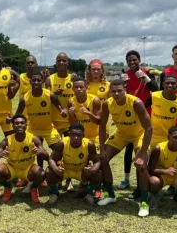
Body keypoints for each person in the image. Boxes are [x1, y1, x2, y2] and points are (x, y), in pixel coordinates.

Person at [98, 79, 152, 217]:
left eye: (119, 91)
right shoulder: (107, 103)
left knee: (141, 165)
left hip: (138, 134)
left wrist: (141, 154)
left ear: (125, 90)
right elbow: (103, 125)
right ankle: (111, 196)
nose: (116, 94)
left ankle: (144, 203)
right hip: (121, 134)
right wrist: (103, 149)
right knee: (103, 160)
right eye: (113, 91)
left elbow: (149, 128)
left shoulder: (136, 102)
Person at [14, 69, 66, 187]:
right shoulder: (25, 98)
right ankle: (39, 175)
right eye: (34, 80)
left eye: (38, 80)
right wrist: (11, 119)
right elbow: (18, 114)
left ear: (42, 81)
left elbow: (61, 108)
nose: (36, 82)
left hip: (49, 128)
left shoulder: (50, 95)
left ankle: (57, 172)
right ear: (30, 82)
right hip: (33, 129)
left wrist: (63, 112)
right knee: (37, 151)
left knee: (58, 148)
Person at [119, 50, 159, 196]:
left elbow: (156, 90)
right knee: (129, 148)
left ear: (139, 60)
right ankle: (126, 179)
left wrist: (147, 78)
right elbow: (121, 94)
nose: (132, 62)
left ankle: (141, 186)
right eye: (129, 60)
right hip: (130, 116)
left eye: (134, 60)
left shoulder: (146, 72)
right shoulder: (126, 75)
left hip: (146, 114)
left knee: (141, 150)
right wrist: (123, 83)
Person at [0, 114, 48, 203]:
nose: (20, 125)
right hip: (12, 168)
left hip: (28, 168)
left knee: (41, 174)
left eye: (22, 123)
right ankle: (8, 186)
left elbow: (47, 156)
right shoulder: (7, 140)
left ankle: (34, 188)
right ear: (13, 126)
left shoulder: (33, 138)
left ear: (26, 125)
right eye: (17, 123)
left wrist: (40, 152)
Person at [45, 123, 101, 205]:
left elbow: (98, 162)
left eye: (79, 135)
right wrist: (56, 169)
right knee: (49, 171)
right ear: (69, 134)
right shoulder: (62, 143)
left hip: (81, 171)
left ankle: (89, 193)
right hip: (65, 170)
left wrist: (92, 169)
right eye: (73, 135)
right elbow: (51, 159)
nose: (76, 138)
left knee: (98, 173)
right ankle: (54, 193)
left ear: (83, 136)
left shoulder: (89, 144)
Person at [145, 75, 177, 150]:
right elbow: (142, 110)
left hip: (170, 137)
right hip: (152, 136)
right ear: (163, 84)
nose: (170, 85)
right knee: (148, 160)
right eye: (167, 83)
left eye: (173, 83)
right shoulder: (154, 96)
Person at [45, 53, 74, 137]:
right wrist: (54, 94)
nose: (61, 62)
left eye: (64, 61)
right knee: (57, 148)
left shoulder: (73, 79)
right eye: (59, 61)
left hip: (69, 120)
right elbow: (46, 98)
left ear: (67, 63)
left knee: (69, 147)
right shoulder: (49, 79)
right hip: (54, 121)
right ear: (56, 63)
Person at [68, 77, 101, 149]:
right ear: (73, 89)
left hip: (94, 136)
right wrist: (71, 115)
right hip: (80, 138)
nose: (79, 89)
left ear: (86, 88)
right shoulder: (71, 101)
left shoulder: (94, 100)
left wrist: (89, 113)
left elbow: (98, 121)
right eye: (76, 87)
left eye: (81, 87)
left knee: (97, 158)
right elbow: (73, 124)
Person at [86, 59, 111, 139]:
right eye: (93, 69)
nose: (96, 71)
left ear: (102, 70)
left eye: (98, 69)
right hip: (86, 120)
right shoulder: (84, 85)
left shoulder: (108, 85)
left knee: (102, 147)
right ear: (89, 70)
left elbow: (112, 103)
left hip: (102, 120)